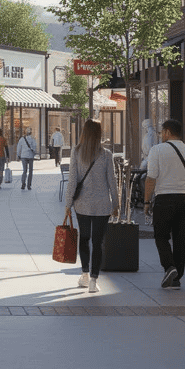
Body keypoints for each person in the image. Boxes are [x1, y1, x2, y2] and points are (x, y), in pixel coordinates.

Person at [143, 119, 185, 289]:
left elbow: (150, 179)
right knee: (180, 239)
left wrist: (147, 202)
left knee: (161, 236)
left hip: (164, 199)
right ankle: (177, 278)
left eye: (162, 132)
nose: (161, 136)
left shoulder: (157, 150)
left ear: (168, 132)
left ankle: (169, 267)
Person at [63, 119, 118, 293]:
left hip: (82, 205)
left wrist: (68, 203)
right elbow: (112, 181)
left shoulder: (77, 151)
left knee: (84, 239)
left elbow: (73, 179)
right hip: (102, 205)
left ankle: (85, 274)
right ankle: (94, 279)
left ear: (84, 132)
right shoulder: (106, 154)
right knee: (98, 241)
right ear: (99, 133)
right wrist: (116, 204)